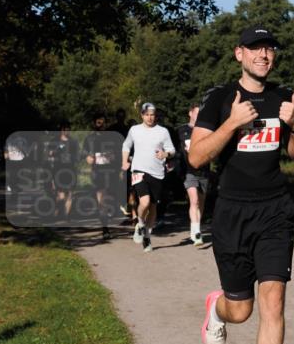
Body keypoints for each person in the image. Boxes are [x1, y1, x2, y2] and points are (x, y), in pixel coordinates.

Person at [189, 25, 294, 344]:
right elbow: (195, 159)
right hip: (232, 212)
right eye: (255, 48)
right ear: (239, 53)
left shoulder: (282, 97)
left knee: (274, 301)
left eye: (269, 48)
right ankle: (217, 309)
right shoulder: (220, 99)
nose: (264, 55)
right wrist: (231, 124)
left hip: (275, 209)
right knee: (241, 310)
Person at [121, 103, 176, 252]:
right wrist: (124, 161)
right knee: (144, 202)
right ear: (142, 115)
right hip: (138, 170)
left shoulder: (163, 132)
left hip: (157, 172)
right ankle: (139, 223)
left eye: (152, 115)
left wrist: (165, 154)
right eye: (146, 115)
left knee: (152, 206)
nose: (150, 117)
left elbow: (172, 149)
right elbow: (126, 145)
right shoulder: (134, 130)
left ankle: (147, 236)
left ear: (155, 115)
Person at [82, 112, 122, 239]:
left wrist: (116, 159)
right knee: (102, 200)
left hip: (112, 173)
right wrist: (88, 158)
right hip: (98, 173)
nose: (102, 125)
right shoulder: (90, 138)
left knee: (111, 198)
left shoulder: (112, 137)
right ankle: (105, 228)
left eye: (104, 122)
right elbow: (84, 153)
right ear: (94, 123)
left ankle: (112, 213)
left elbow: (119, 153)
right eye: (99, 122)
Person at [177, 103, 211, 245]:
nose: (199, 116)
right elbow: (177, 150)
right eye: (197, 113)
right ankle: (197, 232)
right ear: (190, 113)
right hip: (189, 171)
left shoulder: (206, 130)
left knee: (201, 203)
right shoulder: (181, 130)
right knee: (194, 200)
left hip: (204, 170)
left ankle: (194, 228)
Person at [47, 125, 79, 221]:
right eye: (64, 130)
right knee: (60, 194)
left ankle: (66, 216)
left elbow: (77, 156)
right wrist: (53, 152)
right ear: (61, 130)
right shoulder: (54, 141)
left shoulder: (73, 142)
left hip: (70, 170)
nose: (66, 131)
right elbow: (49, 154)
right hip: (58, 170)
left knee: (70, 193)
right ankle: (57, 213)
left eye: (68, 130)